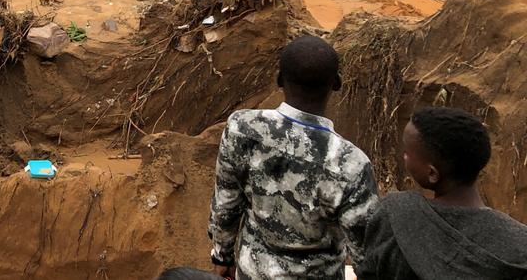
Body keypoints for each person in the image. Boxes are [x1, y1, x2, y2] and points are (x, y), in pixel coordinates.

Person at [208, 35, 377, 279]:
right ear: (337, 83)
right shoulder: (350, 163)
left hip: (252, 272)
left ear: (278, 80)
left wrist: (221, 256)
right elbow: (366, 255)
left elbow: (226, 201)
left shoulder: (242, 128)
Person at [357, 106, 527, 279]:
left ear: (432, 174)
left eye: (407, 153)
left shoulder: (395, 217)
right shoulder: (520, 244)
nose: (404, 156)